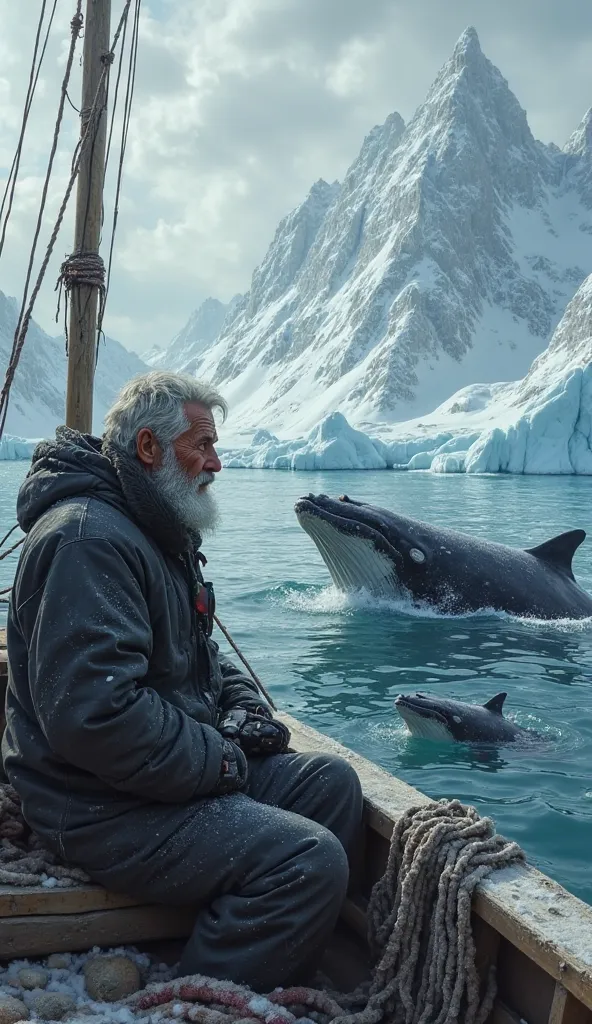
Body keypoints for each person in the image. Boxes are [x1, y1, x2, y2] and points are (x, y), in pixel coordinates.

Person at [2, 371, 363, 991]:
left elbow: (196, 656)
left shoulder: (152, 531)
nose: (217, 463)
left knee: (330, 783)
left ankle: (257, 945)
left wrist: (245, 709)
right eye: (202, 445)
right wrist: (221, 760)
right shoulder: (89, 541)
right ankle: (201, 994)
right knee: (309, 859)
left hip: (149, 778)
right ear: (149, 449)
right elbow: (97, 716)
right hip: (95, 803)